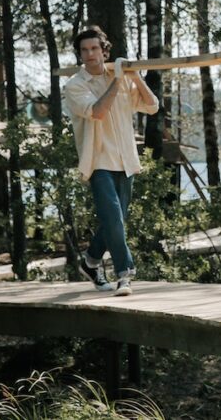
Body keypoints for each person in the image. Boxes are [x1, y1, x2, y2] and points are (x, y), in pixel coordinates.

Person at [62, 26, 159, 296]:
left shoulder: (122, 78)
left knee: (116, 219)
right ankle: (124, 275)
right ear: (80, 54)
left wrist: (135, 76)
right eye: (84, 50)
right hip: (98, 161)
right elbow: (98, 111)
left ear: (104, 50)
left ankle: (91, 261)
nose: (90, 54)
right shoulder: (75, 85)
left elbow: (152, 106)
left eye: (95, 48)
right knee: (113, 217)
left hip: (126, 159)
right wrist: (117, 79)